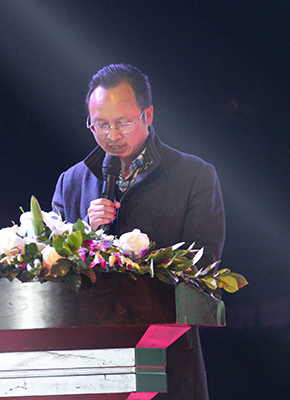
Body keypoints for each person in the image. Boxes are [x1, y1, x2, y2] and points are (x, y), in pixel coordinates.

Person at [52, 64, 225, 399]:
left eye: (122, 123)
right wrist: (84, 233)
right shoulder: (71, 182)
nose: (111, 135)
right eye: (100, 124)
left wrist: (139, 259)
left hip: (167, 358)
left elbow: (204, 268)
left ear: (148, 115)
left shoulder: (193, 176)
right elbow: (53, 267)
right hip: (87, 359)